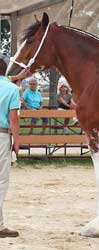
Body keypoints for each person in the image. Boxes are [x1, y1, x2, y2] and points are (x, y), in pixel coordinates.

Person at [0, 58, 29, 238]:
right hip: (2, 136)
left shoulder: (11, 84)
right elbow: (14, 119)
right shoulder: (12, 89)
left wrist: (17, 76)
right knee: (1, 181)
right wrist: (16, 142)